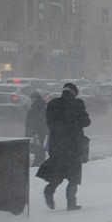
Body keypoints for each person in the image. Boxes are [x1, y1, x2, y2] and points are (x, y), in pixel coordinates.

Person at [36, 83, 91, 211]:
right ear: (74, 92)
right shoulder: (78, 104)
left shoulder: (52, 104)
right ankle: (71, 203)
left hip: (58, 146)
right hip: (74, 146)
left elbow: (50, 124)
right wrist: (75, 120)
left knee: (59, 173)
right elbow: (86, 122)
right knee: (74, 177)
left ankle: (49, 191)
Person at [25, 91, 48, 166]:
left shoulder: (35, 109)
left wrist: (31, 131)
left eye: (32, 98)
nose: (31, 100)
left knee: (37, 145)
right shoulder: (42, 107)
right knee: (39, 144)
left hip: (37, 130)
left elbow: (33, 121)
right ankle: (40, 158)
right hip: (41, 130)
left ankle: (39, 160)